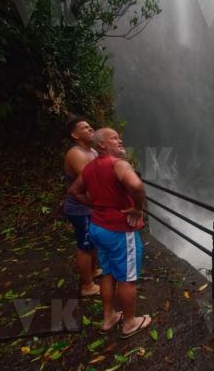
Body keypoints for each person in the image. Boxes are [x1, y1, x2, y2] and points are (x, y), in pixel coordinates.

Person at [69, 128, 151, 338]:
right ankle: (129, 323)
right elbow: (137, 187)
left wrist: (96, 206)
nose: (120, 140)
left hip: (98, 228)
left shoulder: (89, 169)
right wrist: (138, 209)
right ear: (102, 145)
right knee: (127, 278)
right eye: (114, 138)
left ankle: (109, 317)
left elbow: (74, 191)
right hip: (120, 231)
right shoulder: (118, 164)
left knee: (108, 273)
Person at [63, 117, 102, 297]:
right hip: (79, 207)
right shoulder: (76, 153)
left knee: (92, 241)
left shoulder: (92, 151)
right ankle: (87, 286)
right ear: (75, 134)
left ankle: (93, 272)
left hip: (91, 206)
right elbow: (92, 180)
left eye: (90, 125)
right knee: (84, 245)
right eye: (85, 127)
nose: (90, 128)